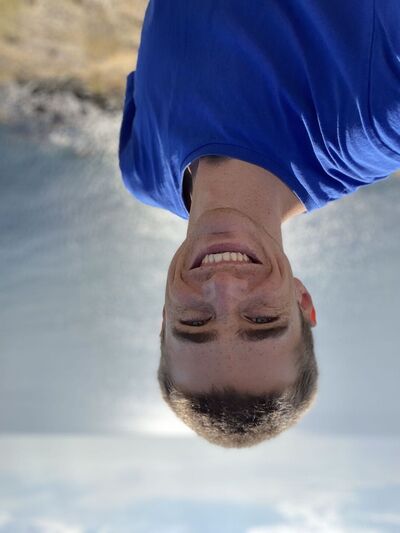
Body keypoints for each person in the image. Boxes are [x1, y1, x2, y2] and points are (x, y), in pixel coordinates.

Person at [118, 1, 400, 448]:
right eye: (262, 319)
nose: (224, 286)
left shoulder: (142, 171)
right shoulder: (378, 121)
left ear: (165, 316)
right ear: (302, 302)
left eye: (195, 322)